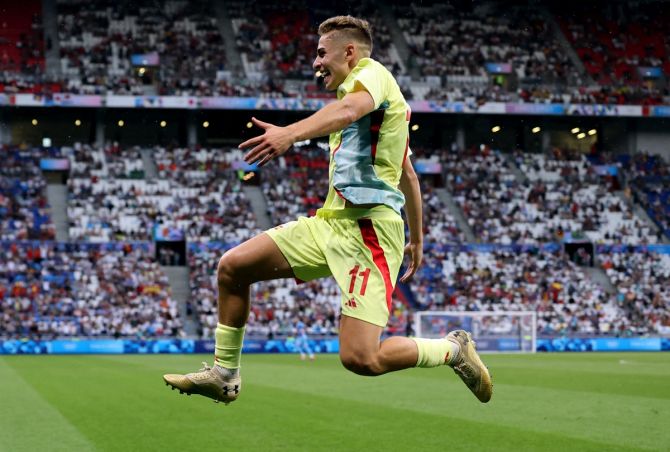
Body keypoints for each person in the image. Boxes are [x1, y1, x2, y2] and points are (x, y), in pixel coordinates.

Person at [163, 15, 492, 404]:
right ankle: (224, 374)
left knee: (361, 358)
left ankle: (452, 350)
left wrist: (289, 133)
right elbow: (408, 174)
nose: (316, 63)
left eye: (322, 53)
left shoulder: (374, 76)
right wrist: (418, 238)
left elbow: (351, 109)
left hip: (369, 233)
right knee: (233, 267)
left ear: (349, 52)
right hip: (331, 223)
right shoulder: (371, 111)